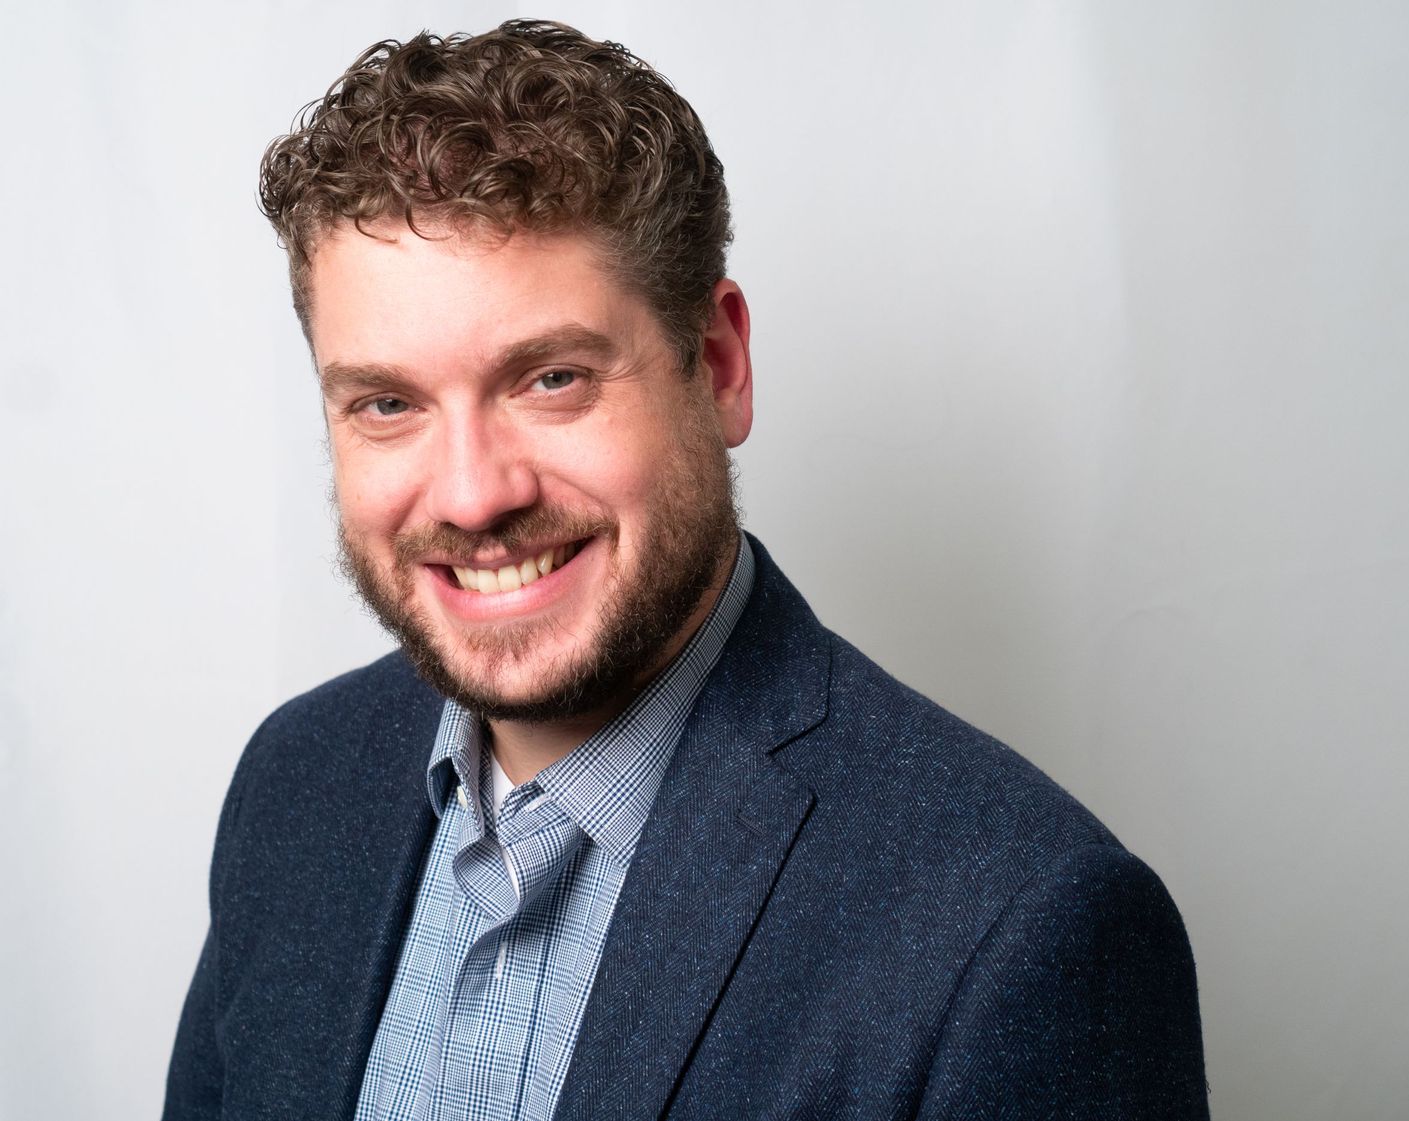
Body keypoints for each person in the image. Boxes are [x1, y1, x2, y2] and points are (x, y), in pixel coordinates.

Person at [163, 19, 1209, 1120]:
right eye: (387, 403)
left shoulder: (1022, 926)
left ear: (717, 365)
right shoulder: (294, 784)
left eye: (552, 377)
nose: (473, 495)